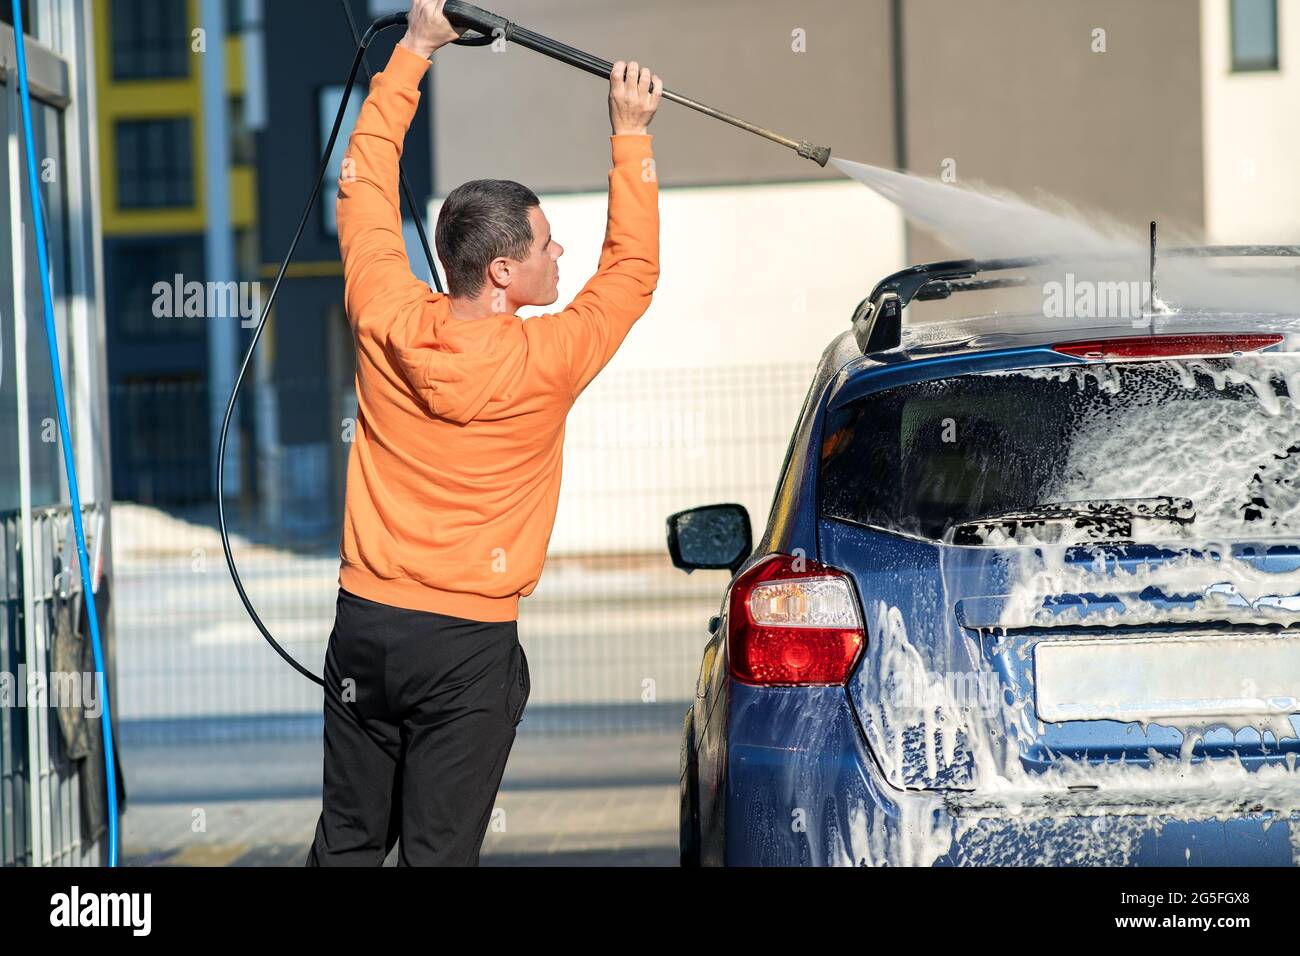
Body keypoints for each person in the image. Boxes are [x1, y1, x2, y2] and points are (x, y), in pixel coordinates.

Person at [306, 0, 662, 865]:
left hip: (367, 625)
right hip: (466, 648)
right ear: (503, 272)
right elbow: (634, 272)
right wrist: (629, 132)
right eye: (545, 245)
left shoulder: (385, 311)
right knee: (438, 857)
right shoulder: (548, 358)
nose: (560, 254)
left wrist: (415, 49)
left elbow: (360, 180)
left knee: (348, 848)